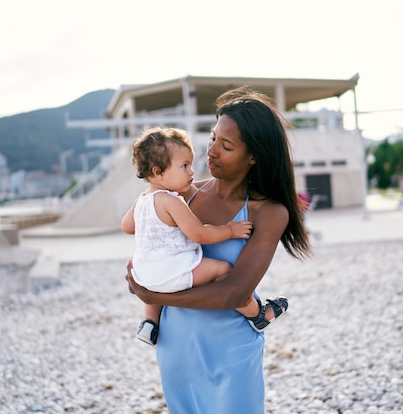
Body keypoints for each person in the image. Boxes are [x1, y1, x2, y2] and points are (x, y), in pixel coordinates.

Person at [125, 86, 312, 413]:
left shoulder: (267, 213)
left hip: (232, 352)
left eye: (225, 146)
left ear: (253, 156)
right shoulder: (181, 198)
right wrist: (145, 284)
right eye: (212, 138)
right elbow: (147, 244)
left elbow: (234, 293)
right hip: (176, 348)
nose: (210, 151)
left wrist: (154, 295)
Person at [121, 126, 289, 346]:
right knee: (222, 270)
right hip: (175, 272)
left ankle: (150, 322)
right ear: (158, 172)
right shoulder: (173, 201)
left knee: (156, 280)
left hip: (146, 274)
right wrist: (230, 230)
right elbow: (199, 234)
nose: (192, 171)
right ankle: (256, 315)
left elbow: (126, 226)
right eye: (184, 166)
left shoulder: (143, 199)